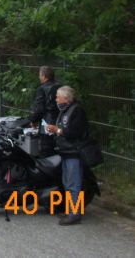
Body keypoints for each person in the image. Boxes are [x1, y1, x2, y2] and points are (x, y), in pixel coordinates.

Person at [46, 86, 89, 226]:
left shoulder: (77, 111)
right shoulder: (65, 110)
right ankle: (70, 210)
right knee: (67, 183)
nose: (56, 99)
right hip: (65, 151)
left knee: (73, 184)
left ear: (66, 98)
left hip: (74, 152)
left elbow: (74, 132)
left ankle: (74, 214)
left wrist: (57, 130)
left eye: (58, 97)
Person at [30, 66, 61, 155]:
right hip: (60, 122)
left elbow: (39, 108)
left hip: (47, 124)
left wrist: (33, 120)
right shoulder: (60, 86)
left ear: (44, 76)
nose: (39, 77)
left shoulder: (42, 88)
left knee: (46, 150)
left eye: (40, 75)